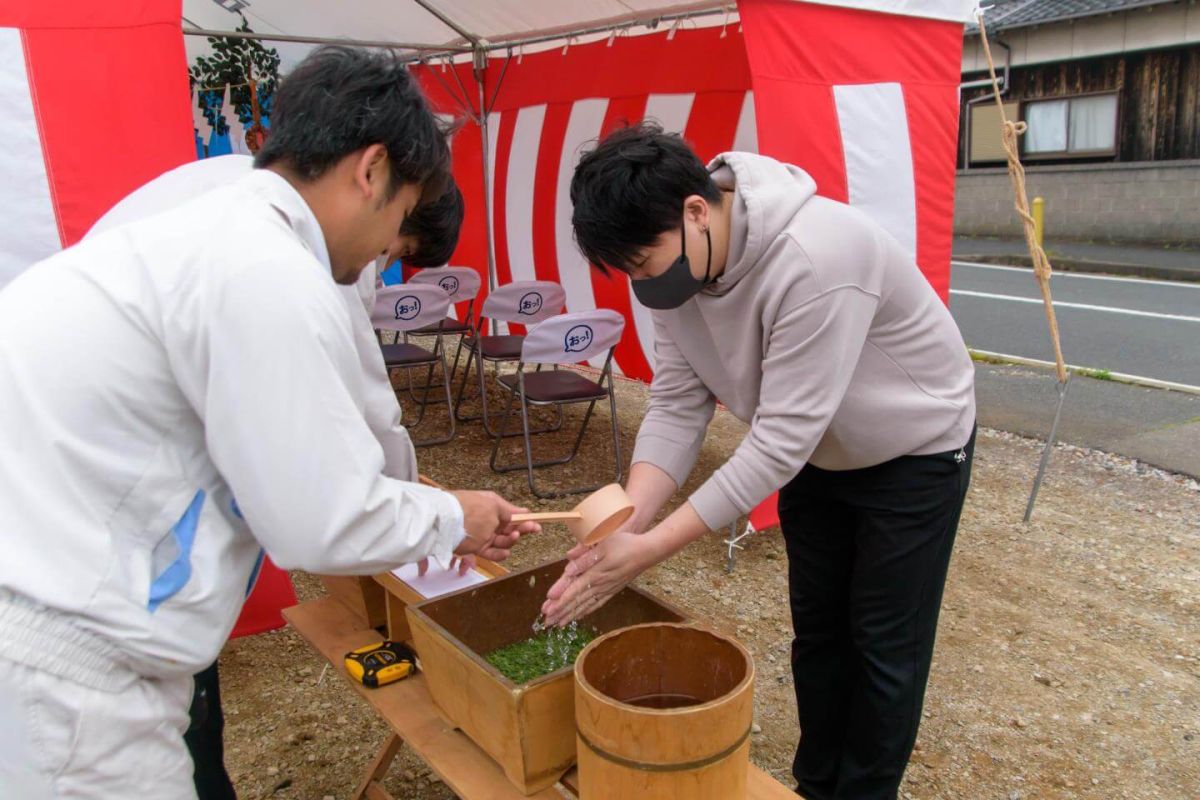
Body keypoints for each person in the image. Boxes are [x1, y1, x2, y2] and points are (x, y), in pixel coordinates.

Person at [0, 46, 536, 800]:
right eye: (401, 218)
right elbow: (323, 521)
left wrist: (422, 505)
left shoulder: (213, 222)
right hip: (66, 667)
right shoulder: (269, 268)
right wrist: (453, 514)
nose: (387, 248)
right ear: (372, 170)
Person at [541, 122, 976, 800]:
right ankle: (814, 785)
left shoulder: (817, 255)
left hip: (913, 452)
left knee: (884, 647)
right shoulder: (669, 270)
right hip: (818, 456)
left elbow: (779, 439)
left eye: (645, 262)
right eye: (628, 271)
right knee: (820, 632)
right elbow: (680, 401)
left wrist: (651, 548)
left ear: (695, 211)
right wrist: (630, 518)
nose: (644, 282)